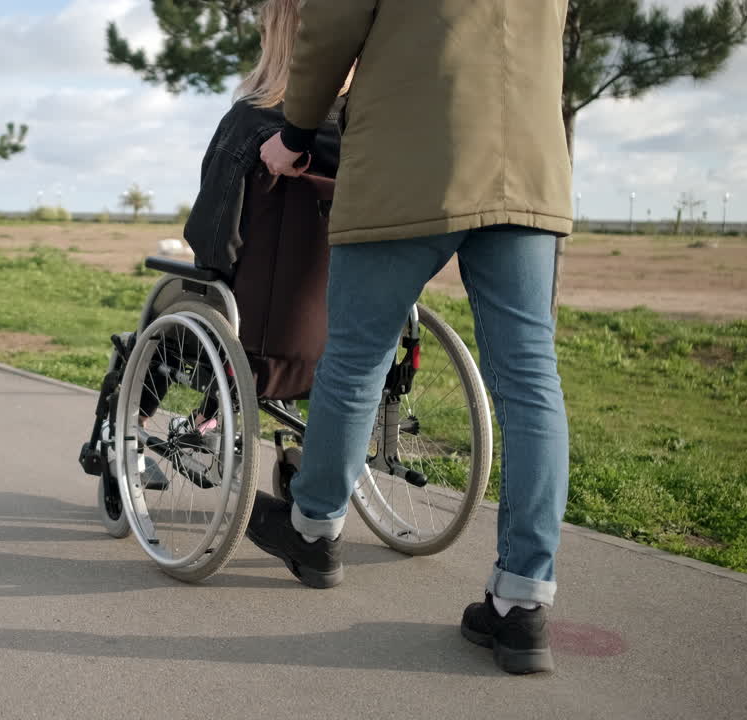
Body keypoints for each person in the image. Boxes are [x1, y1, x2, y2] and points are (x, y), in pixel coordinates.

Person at [253, 0, 573, 676]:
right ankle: (522, 602)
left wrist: (296, 129)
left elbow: (331, 25)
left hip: (409, 165)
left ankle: (314, 528)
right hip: (527, 169)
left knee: (357, 357)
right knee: (529, 382)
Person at [183, 0, 350, 277]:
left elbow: (211, 239)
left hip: (259, 302)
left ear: (272, 38)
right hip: (359, 295)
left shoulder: (252, 119)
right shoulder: (364, 126)